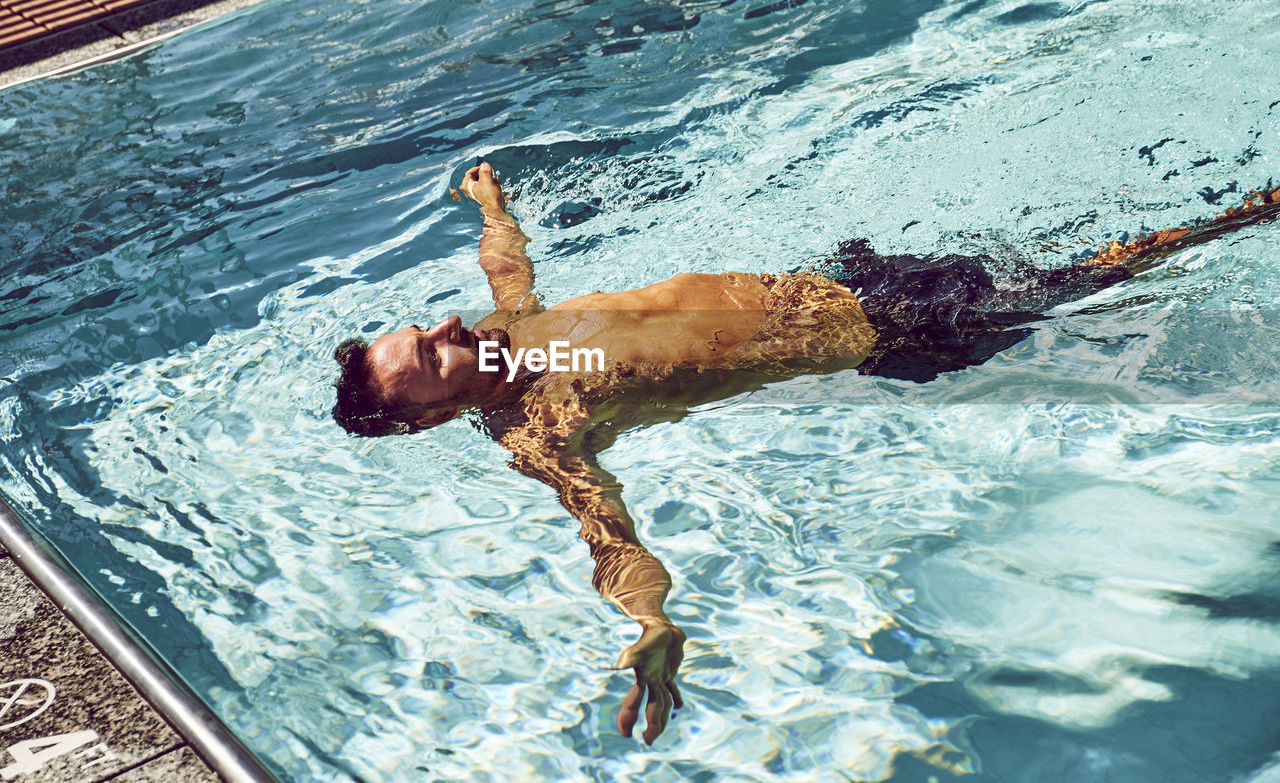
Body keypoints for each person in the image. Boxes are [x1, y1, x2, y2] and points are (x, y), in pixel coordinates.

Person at [333, 161, 1280, 744]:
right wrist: (653, 622)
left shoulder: (507, 331)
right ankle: (1245, 218)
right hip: (890, 334)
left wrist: (492, 211)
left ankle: (1219, 228)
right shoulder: (538, 428)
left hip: (832, 282)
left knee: (1067, 267)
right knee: (1093, 276)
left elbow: (508, 268)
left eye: (428, 325)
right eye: (430, 353)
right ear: (424, 416)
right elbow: (605, 532)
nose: (450, 324)